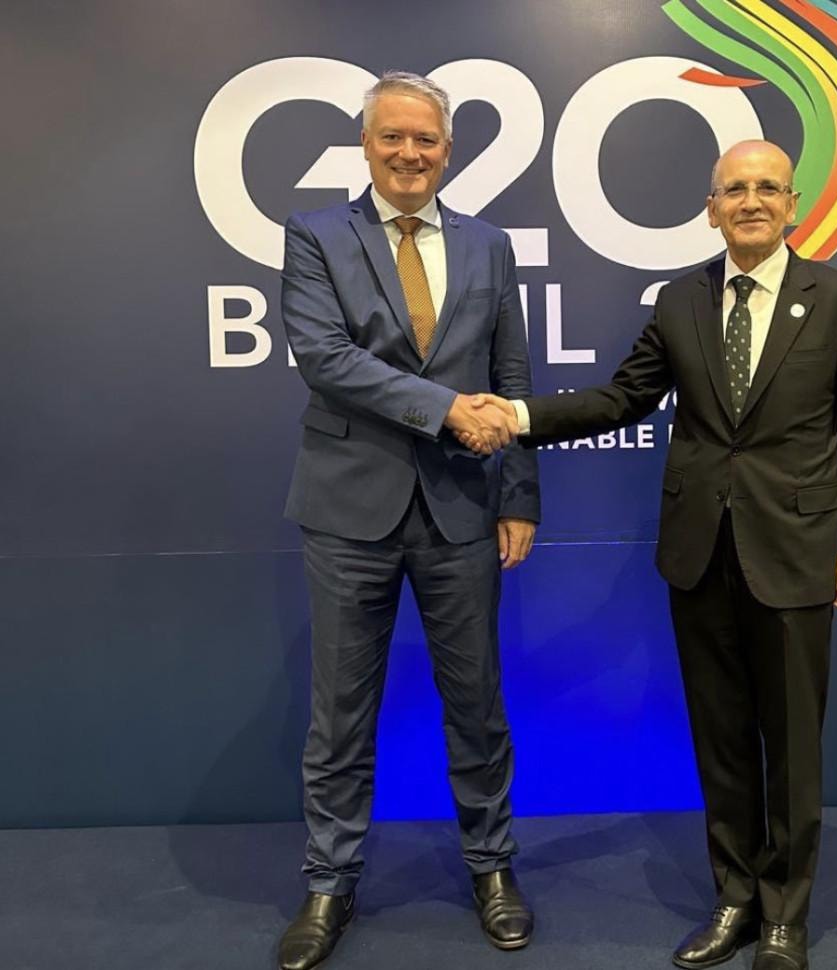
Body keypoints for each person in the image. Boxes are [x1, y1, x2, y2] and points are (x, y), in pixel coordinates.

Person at [462, 140, 837, 970]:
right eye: (736, 189)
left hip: (798, 551)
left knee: (791, 746)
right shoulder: (680, 300)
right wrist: (517, 417)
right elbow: (624, 397)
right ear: (712, 209)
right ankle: (735, 898)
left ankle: (784, 916)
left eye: (768, 188)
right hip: (699, 553)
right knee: (720, 737)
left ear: (792, 205)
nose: (752, 201)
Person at [276, 71, 539, 970]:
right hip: (348, 508)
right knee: (340, 714)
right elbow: (324, 357)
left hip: (463, 506)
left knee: (478, 704)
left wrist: (519, 493)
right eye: (392, 136)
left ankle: (493, 867)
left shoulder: (489, 245)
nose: (409, 153)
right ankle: (329, 882)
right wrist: (445, 409)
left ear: (448, 151)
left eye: (425, 139)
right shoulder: (316, 234)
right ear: (366, 144)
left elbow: (511, 376)